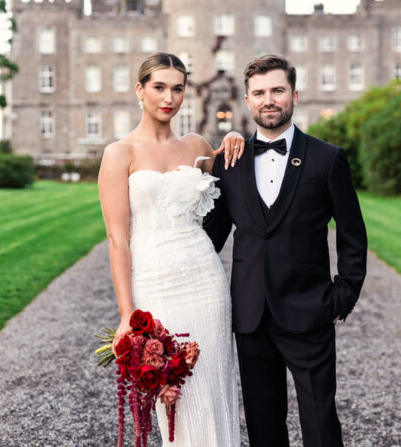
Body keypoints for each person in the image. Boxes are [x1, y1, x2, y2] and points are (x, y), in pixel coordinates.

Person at [203, 55, 368, 447]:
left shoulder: (328, 159)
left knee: (320, 422)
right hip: (250, 314)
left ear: (294, 95)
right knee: (263, 426)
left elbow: (352, 235)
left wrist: (342, 296)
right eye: (259, 93)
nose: (269, 100)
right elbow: (213, 236)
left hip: (309, 309)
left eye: (277, 90)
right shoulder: (231, 161)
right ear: (247, 100)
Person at [97, 53, 243, 446]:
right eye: (159, 87)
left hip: (205, 280)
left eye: (177, 88)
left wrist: (234, 139)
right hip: (155, 283)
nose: (169, 97)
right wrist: (128, 314)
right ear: (140, 90)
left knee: (212, 387)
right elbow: (117, 239)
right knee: (174, 397)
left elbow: (236, 184)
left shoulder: (196, 145)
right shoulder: (119, 153)